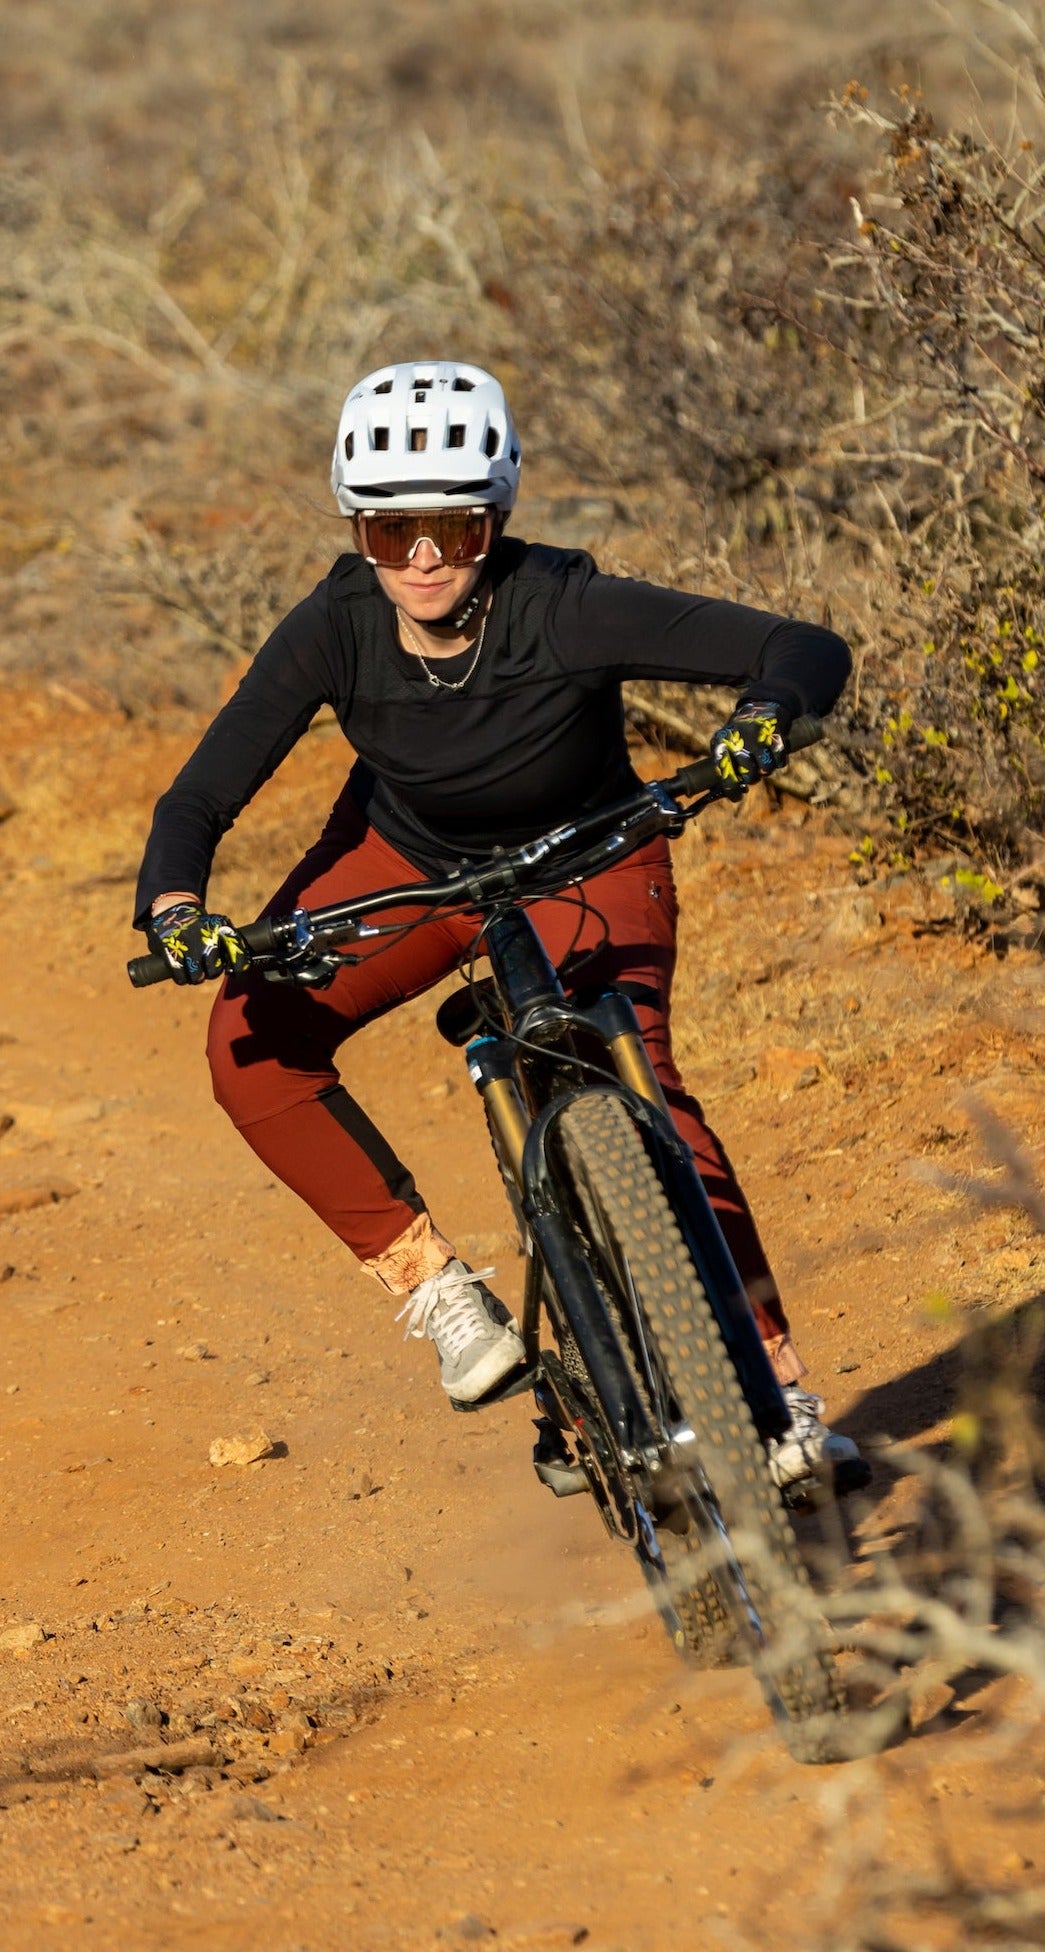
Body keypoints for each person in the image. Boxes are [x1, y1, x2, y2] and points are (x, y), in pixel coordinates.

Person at [133, 360, 861, 1496]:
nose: (421, 556)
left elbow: (801, 648)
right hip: (410, 866)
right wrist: (177, 907)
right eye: (390, 533)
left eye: (453, 526)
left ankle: (773, 1385)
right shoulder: (334, 627)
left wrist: (763, 723)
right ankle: (437, 1292)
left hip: (593, 848)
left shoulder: (561, 605)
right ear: (357, 531)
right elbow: (198, 798)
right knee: (248, 1047)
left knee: (643, 1082)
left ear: (496, 517)